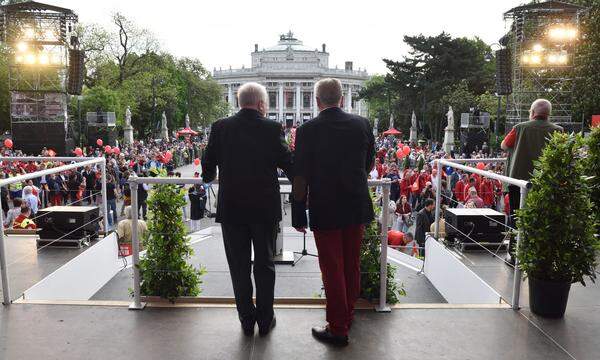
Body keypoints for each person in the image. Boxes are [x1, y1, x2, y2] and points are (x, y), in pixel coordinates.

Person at [201, 82, 292, 336]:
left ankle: (245, 319)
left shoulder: (220, 127)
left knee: (238, 265)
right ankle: (265, 319)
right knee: (265, 265)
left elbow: (208, 166)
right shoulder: (273, 128)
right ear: (262, 104)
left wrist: (208, 176)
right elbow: (289, 163)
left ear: (239, 102)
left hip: (232, 208)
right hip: (264, 209)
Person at [292, 78, 375, 346]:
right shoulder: (362, 124)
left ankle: (338, 328)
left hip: (325, 207)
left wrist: (296, 212)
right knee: (351, 264)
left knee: (332, 268)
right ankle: (347, 315)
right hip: (356, 203)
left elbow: (300, 176)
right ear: (342, 98)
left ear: (317, 102)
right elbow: (369, 162)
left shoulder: (307, 130)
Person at [501, 99, 562, 264]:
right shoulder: (559, 131)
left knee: (517, 218)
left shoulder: (520, 128)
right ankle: (540, 256)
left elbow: (504, 146)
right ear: (548, 114)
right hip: (546, 183)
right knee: (543, 218)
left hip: (518, 182)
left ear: (532, 112)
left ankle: (515, 255)